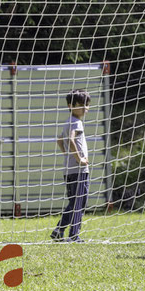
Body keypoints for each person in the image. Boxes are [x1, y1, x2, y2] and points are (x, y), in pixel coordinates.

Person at [52, 89, 91, 243]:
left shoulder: (68, 121)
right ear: (70, 105)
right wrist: (79, 158)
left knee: (74, 202)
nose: (84, 108)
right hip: (79, 170)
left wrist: (66, 154)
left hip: (69, 170)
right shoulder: (76, 122)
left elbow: (60, 140)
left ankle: (59, 230)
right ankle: (74, 235)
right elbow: (71, 139)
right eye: (80, 105)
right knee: (79, 202)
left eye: (86, 105)